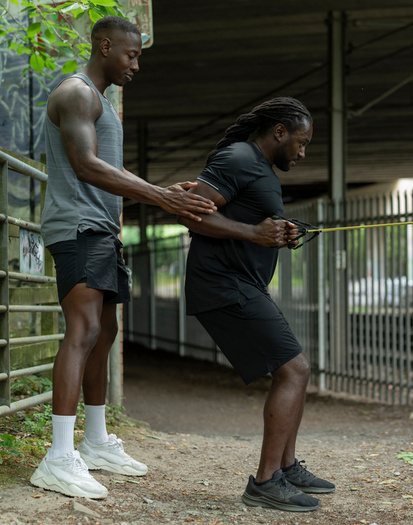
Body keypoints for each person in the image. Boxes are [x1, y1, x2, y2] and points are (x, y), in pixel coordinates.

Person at [30, 16, 217, 500]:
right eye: (131, 55)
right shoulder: (76, 93)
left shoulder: (100, 102)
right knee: (84, 330)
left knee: (105, 332)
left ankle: (93, 442)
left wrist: (160, 191)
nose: (136, 64)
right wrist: (161, 198)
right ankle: (57, 457)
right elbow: (86, 165)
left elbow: (106, 165)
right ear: (105, 46)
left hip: (101, 231)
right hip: (77, 228)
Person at [179, 97, 334, 513]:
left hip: (242, 284)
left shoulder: (258, 166)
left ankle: (285, 468)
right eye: (300, 143)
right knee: (295, 368)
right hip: (223, 285)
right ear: (279, 132)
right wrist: (253, 232)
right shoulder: (239, 157)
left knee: (297, 368)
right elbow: (191, 213)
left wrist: (278, 233)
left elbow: (254, 222)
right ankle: (265, 481)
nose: (302, 153)